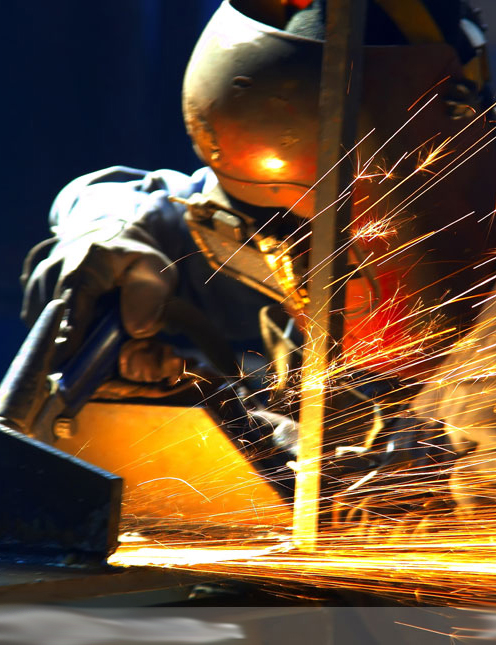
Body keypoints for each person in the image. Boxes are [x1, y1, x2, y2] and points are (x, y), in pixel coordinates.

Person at [19, 0, 496, 517]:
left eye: (343, 232)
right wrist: (112, 238)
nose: (304, 257)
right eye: (291, 218)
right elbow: (146, 199)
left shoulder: (476, 303)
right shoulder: (277, 219)